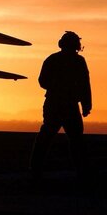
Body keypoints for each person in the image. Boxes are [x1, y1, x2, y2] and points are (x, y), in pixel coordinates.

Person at [30, 31, 91, 177]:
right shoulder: (78, 61)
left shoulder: (52, 59)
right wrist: (86, 105)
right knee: (75, 139)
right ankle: (80, 171)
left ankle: (35, 169)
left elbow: (42, 81)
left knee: (46, 137)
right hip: (66, 105)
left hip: (55, 103)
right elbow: (85, 85)